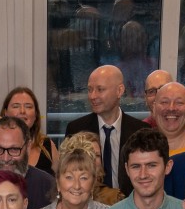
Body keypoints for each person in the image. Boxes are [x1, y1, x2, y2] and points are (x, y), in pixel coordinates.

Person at [64, 64, 152, 196]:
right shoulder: (76, 129)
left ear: (119, 90)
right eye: (89, 89)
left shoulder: (141, 131)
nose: (93, 96)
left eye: (100, 89)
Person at [24, 139, 109, 209]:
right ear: (58, 182)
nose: (76, 186)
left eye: (83, 178)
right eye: (69, 177)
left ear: (93, 183)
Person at [2, 85, 58, 175]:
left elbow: (60, 181)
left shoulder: (48, 146)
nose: (22, 111)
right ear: (5, 113)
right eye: (16, 106)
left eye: (28, 107)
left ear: (35, 114)